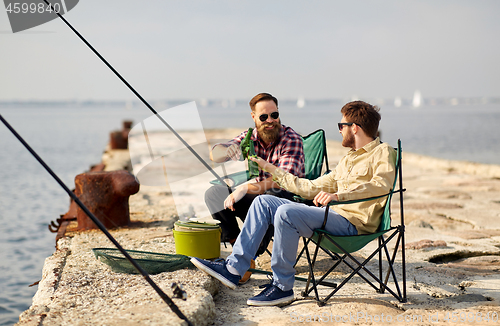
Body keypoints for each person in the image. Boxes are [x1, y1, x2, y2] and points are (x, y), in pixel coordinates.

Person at [192, 100, 397, 306]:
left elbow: (380, 186)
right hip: (330, 216)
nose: (340, 130)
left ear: (354, 128)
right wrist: (271, 169)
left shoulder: (383, 151)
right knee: (263, 202)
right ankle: (234, 268)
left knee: (286, 212)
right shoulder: (347, 160)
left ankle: (282, 287)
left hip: (353, 224)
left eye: (341, 126)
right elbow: (308, 187)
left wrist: (337, 196)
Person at [205, 93, 305, 282]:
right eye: (263, 117)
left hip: (285, 204)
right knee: (214, 193)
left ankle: (247, 256)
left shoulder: (291, 139)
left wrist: (244, 189)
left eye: (274, 115)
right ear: (253, 117)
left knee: (266, 197)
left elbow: (282, 181)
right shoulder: (249, 138)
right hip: (259, 198)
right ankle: (240, 252)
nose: (270, 121)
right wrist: (226, 151)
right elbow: (214, 155)